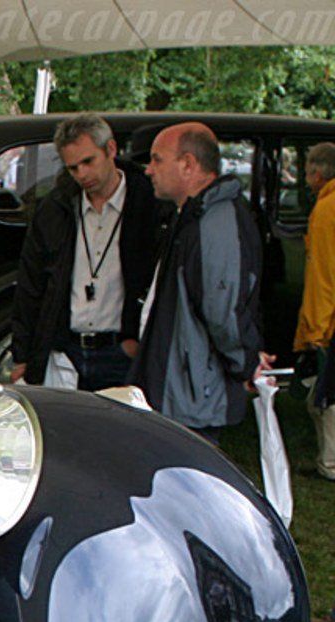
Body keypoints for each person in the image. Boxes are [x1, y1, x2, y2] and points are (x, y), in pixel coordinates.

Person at [9, 113, 162, 392]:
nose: (82, 175)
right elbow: (31, 284)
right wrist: (23, 355)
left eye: (88, 162)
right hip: (68, 351)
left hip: (122, 349)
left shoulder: (147, 202)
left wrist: (137, 341)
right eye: (73, 168)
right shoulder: (56, 207)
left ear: (111, 150)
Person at [131, 122, 265, 439]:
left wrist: (245, 364)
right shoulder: (192, 215)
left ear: (188, 164)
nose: (149, 170)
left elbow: (224, 311)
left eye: (157, 159)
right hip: (179, 391)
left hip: (193, 398)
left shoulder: (215, 221)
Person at [294, 142, 335, 481]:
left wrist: (316, 331)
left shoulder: (325, 211)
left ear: (318, 174)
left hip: (329, 324)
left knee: (324, 399)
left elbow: (323, 274)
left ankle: (330, 464)